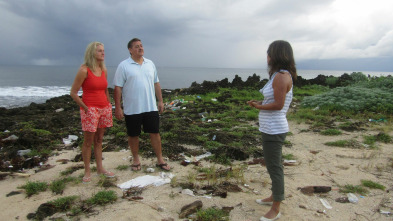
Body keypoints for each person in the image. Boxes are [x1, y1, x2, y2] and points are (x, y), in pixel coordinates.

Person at [247, 40, 297, 221]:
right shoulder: (278, 75)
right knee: (271, 164)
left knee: (275, 167)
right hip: (269, 128)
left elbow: (278, 105)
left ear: (276, 55)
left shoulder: (281, 76)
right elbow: (273, 101)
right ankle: (273, 196)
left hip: (275, 129)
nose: (266, 57)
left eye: (269, 53)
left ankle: (276, 208)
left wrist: (259, 108)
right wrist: (259, 103)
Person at [113, 38, 170, 171]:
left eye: (141, 46)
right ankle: (136, 159)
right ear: (130, 50)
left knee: (155, 133)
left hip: (150, 106)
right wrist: (118, 107)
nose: (140, 48)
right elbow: (118, 87)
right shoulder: (123, 65)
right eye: (137, 46)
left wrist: (160, 101)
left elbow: (156, 83)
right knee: (133, 135)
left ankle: (160, 159)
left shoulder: (150, 63)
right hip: (132, 108)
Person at [70, 41, 115, 183]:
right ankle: (87, 171)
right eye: (100, 51)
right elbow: (73, 93)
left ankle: (100, 168)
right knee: (88, 141)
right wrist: (85, 107)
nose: (103, 53)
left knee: (99, 140)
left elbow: (105, 88)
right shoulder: (84, 70)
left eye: (103, 50)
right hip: (91, 109)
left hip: (104, 108)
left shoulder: (103, 70)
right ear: (92, 53)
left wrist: (108, 104)